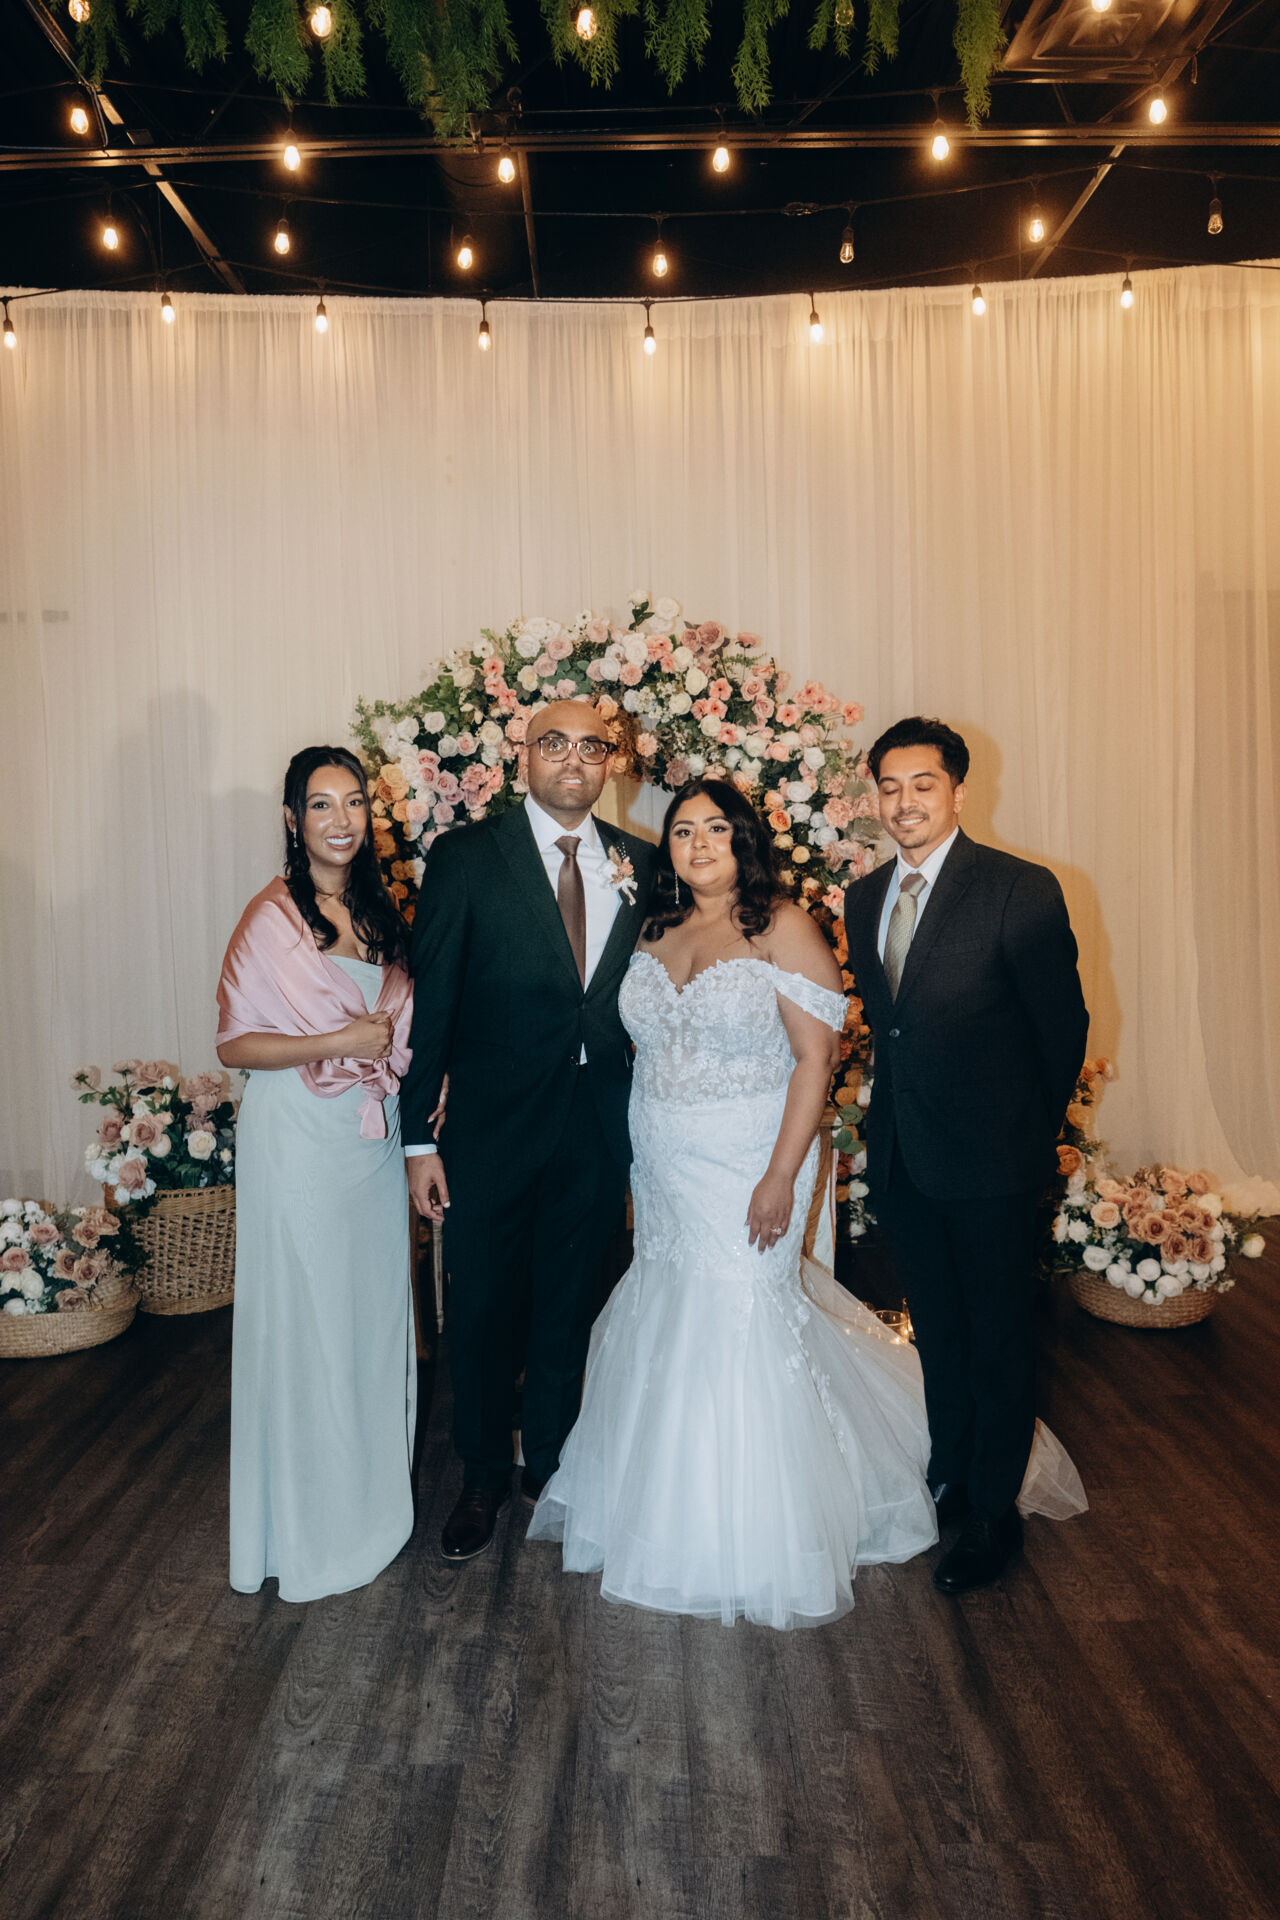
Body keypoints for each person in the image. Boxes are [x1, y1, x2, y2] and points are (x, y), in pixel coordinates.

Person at [528, 778, 943, 1630]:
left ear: (744, 838)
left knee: (744, 1309)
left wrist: (781, 1175)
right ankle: (655, 1506)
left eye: (716, 828)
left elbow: (815, 1060)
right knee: (668, 1304)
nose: (698, 843)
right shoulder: (653, 926)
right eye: (683, 831)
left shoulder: (782, 926)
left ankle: (754, 1528)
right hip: (664, 1160)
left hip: (751, 1157)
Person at [402, 698, 655, 1562]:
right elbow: (433, 1003)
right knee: (480, 1307)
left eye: (592, 746)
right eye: (555, 743)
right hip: (489, 1129)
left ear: (611, 763)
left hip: (597, 1126)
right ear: (524, 758)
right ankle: (480, 1475)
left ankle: (549, 1467)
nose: (574, 760)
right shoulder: (468, 857)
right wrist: (418, 1140)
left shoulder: (641, 862)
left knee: (569, 1306)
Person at [843, 716, 1089, 1595]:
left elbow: (1062, 1032)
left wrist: (1021, 1144)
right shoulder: (865, 896)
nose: (904, 801)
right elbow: (893, 1029)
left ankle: (993, 1514)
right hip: (904, 1158)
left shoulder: (1019, 888)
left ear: (958, 791)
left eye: (923, 784)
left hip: (993, 1163)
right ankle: (947, 1476)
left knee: (998, 1338)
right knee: (938, 1333)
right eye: (890, 786)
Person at [216, 746, 417, 1603]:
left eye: (354, 802)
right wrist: (336, 1041)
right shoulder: (273, 917)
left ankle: (366, 1505)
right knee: (308, 1319)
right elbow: (233, 1044)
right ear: (293, 819)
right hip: (296, 1136)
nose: (342, 820)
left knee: (367, 1316)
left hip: (370, 1139)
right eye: (322, 804)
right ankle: (309, 1528)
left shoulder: (378, 909)